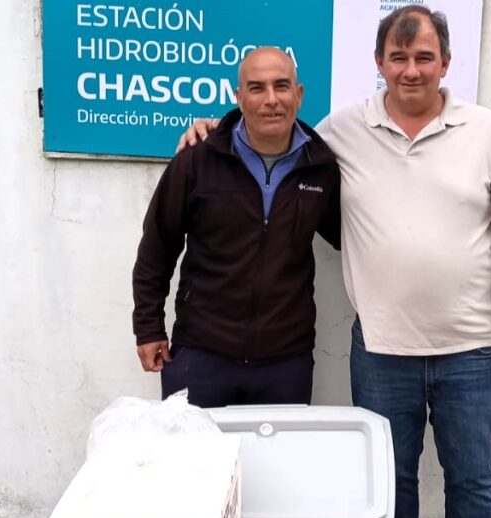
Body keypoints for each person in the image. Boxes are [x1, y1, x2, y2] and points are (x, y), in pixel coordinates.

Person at [178, 7, 491, 518]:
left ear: (446, 62)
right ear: (379, 62)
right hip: (381, 352)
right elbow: (271, 131)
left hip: (470, 351)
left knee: (473, 482)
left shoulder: (486, 131)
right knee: (388, 488)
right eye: (398, 57)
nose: (411, 70)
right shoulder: (343, 130)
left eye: (424, 57)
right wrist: (213, 128)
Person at [133, 47, 341, 408]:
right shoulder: (198, 159)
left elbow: (350, 236)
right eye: (256, 88)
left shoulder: (320, 166)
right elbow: (157, 247)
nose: (271, 99)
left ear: (299, 94)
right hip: (201, 354)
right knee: (194, 448)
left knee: (282, 449)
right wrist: (148, 328)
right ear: (239, 97)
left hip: (285, 361)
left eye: (281, 86)